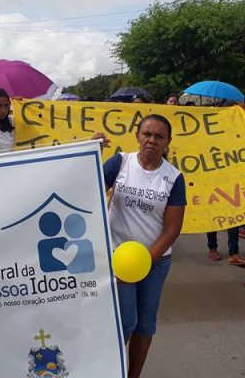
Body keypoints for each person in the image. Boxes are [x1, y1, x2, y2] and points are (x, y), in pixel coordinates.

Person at [102, 114, 185, 378]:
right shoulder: (120, 163)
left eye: (159, 136)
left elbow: (172, 229)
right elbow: (87, 188)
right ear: (137, 136)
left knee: (145, 325)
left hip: (155, 261)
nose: (152, 140)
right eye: (147, 134)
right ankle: (108, 370)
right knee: (126, 321)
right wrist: (91, 154)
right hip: (119, 258)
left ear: (168, 141)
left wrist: (145, 261)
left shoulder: (174, 178)